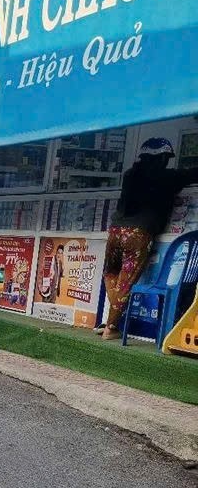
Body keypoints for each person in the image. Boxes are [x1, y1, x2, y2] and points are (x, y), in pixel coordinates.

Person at [101, 138, 198, 339]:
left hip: (116, 231)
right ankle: (110, 328)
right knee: (126, 283)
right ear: (162, 158)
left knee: (110, 273)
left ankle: (110, 318)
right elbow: (193, 174)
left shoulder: (130, 175)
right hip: (139, 234)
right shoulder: (168, 177)